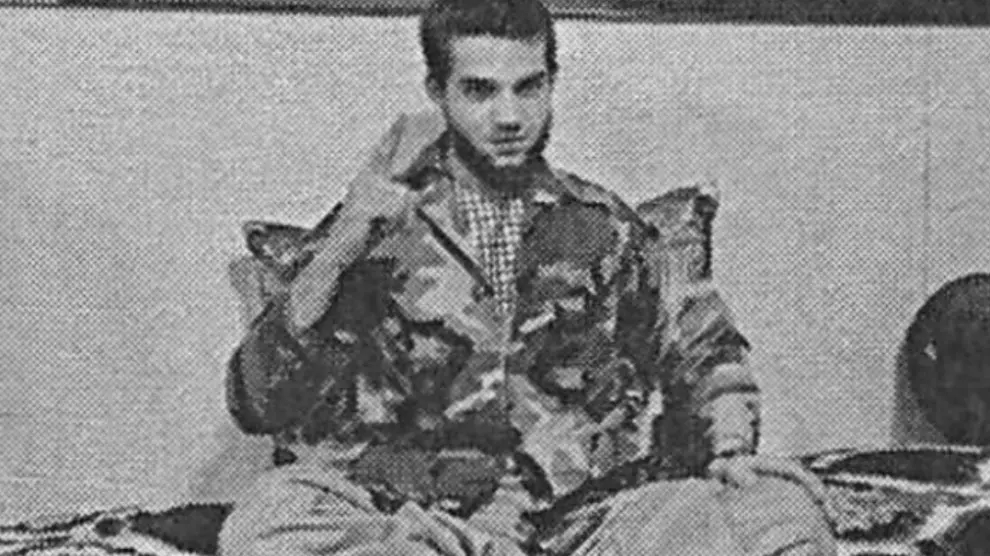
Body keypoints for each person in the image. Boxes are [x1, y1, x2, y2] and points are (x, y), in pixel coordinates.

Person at [219, 0, 838, 553]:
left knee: (774, 512)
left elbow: (705, 348)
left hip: (579, 521)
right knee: (270, 520)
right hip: (410, 518)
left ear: (551, 83)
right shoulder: (376, 224)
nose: (510, 116)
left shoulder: (604, 226)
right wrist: (339, 250)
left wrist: (730, 449)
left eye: (529, 87)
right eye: (480, 91)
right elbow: (258, 404)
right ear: (438, 92)